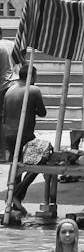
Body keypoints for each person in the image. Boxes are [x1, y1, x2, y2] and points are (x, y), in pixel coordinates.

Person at [2, 69, 46, 209]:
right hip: (24, 135)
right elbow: (42, 112)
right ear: (31, 76)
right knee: (41, 161)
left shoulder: (10, 90)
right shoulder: (33, 90)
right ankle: (16, 193)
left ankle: (15, 203)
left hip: (8, 134)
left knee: (16, 166)